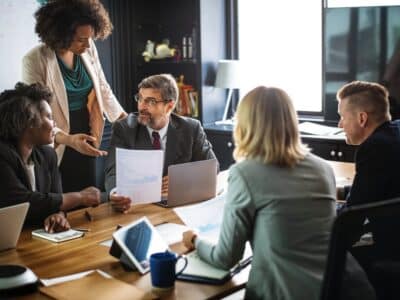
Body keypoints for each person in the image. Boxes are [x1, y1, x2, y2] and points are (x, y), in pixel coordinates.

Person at [182, 86, 337, 299]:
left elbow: (225, 258)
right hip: (333, 288)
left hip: (280, 292)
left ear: (245, 125)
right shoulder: (324, 168)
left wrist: (195, 240)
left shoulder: (245, 174)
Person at [22, 0, 126, 192]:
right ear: (61, 34)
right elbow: (35, 116)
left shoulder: (88, 47)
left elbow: (102, 87)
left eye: (90, 38)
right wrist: (69, 140)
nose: (88, 45)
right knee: (61, 196)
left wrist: (124, 119)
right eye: (80, 40)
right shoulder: (34, 60)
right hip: (55, 136)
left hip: (88, 129)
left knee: (88, 193)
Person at [104, 74, 217, 212]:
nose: (141, 106)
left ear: (169, 107)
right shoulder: (124, 128)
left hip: (179, 207)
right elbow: (112, 172)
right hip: (138, 208)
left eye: (150, 101)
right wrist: (116, 193)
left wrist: (181, 180)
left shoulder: (191, 128)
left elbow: (212, 167)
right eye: (140, 98)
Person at [0, 82, 101, 232]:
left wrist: (58, 215)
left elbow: (55, 200)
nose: (55, 124)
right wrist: (80, 197)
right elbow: (23, 202)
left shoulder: (48, 155)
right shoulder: (3, 155)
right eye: (48, 116)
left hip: (39, 239)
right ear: (28, 121)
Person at [337, 81, 400, 276]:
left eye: (342, 117)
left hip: (387, 245)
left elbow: (353, 216)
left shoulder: (373, 148)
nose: (340, 125)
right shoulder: (395, 131)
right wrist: (341, 193)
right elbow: (377, 188)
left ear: (362, 118)